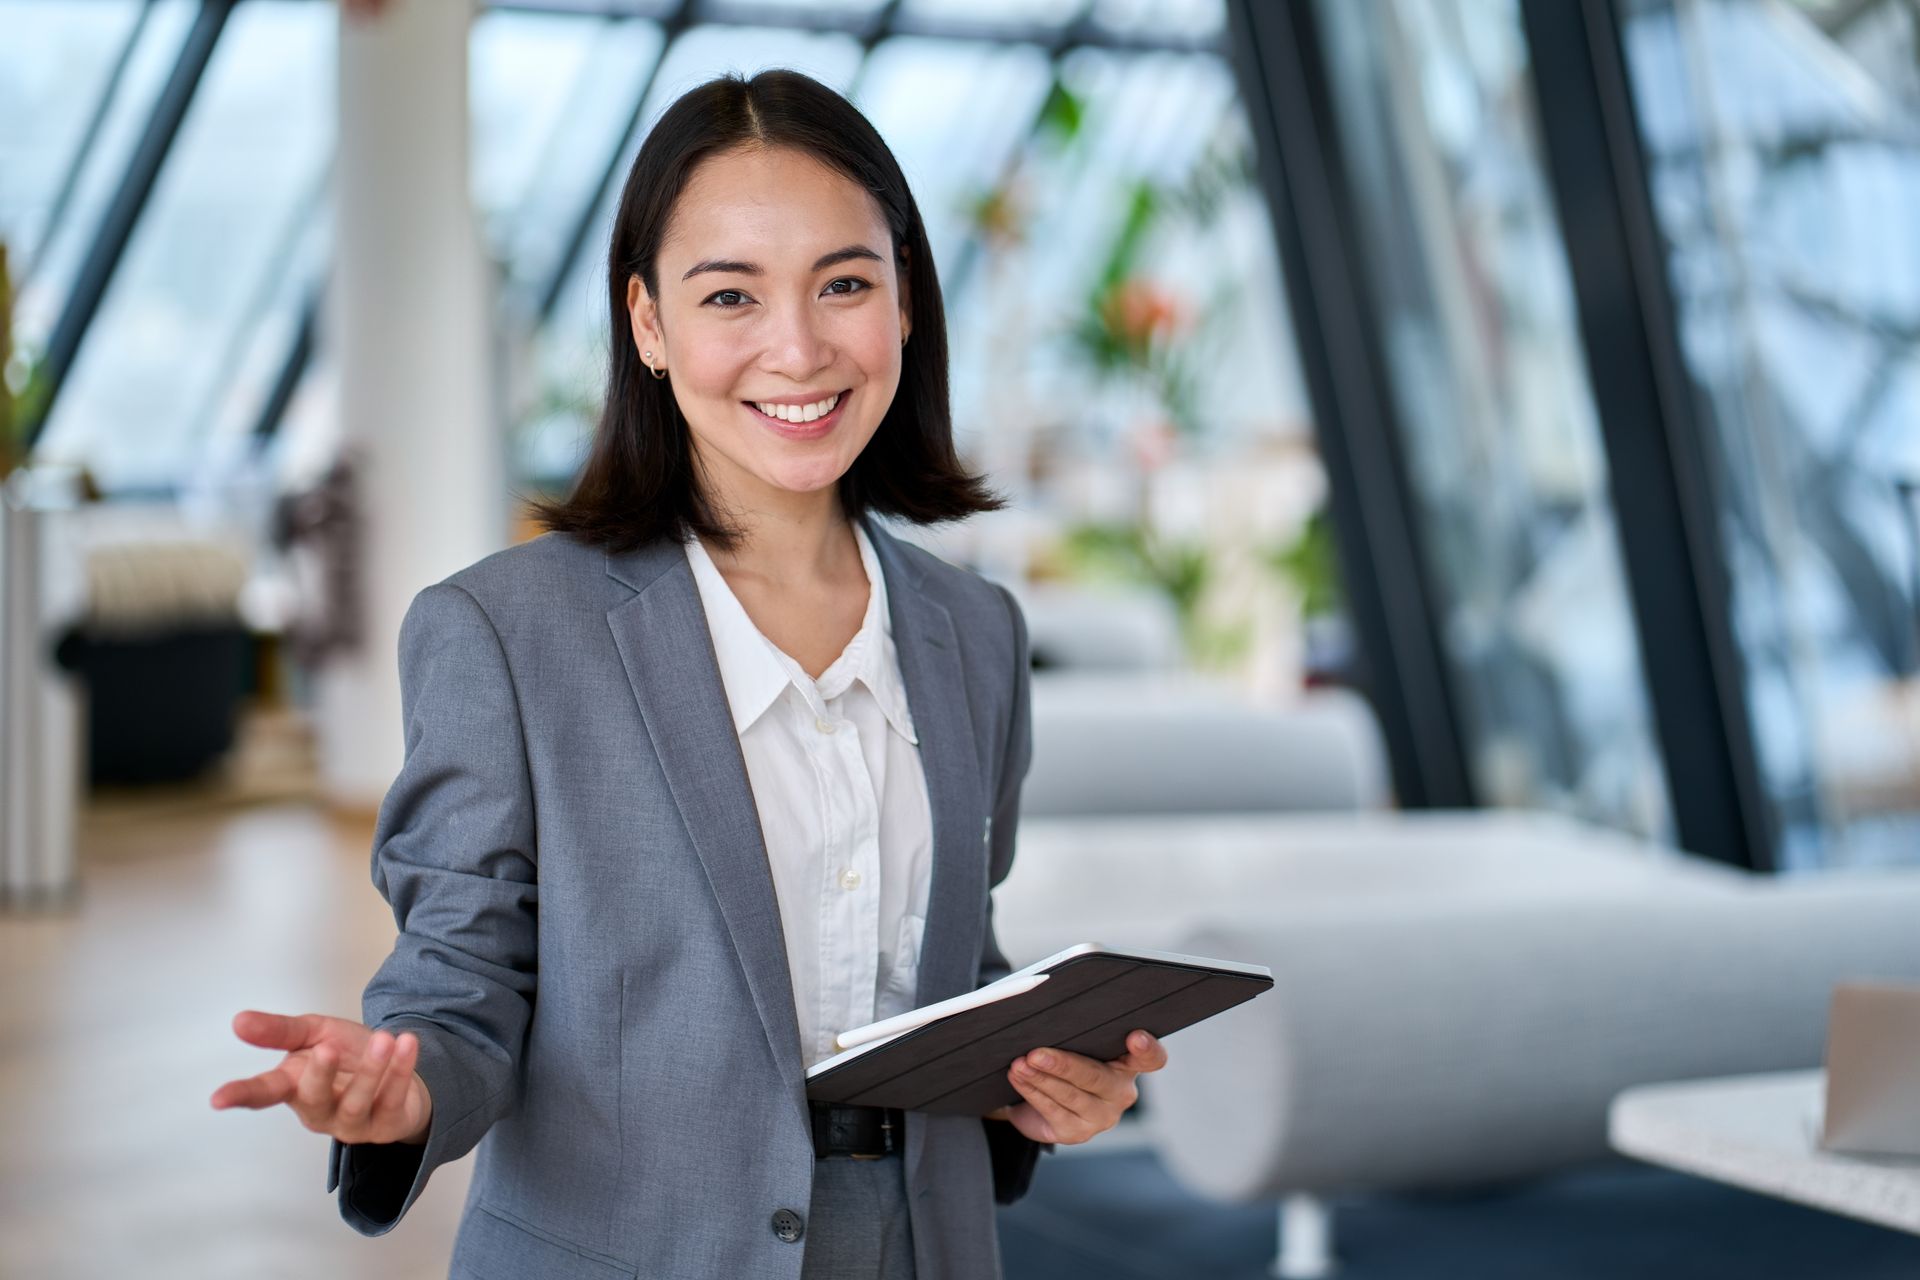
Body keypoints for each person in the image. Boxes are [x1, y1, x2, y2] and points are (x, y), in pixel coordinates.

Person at [209, 68, 1167, 1279]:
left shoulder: (973, 631)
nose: (799, 346)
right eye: (731, 294)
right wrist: (398, 1091)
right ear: (648, 324)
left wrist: (1038, 1080)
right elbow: (460, 982)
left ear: (908, 301)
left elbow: (947, 964)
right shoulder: (504, 633)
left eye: (845, 283)